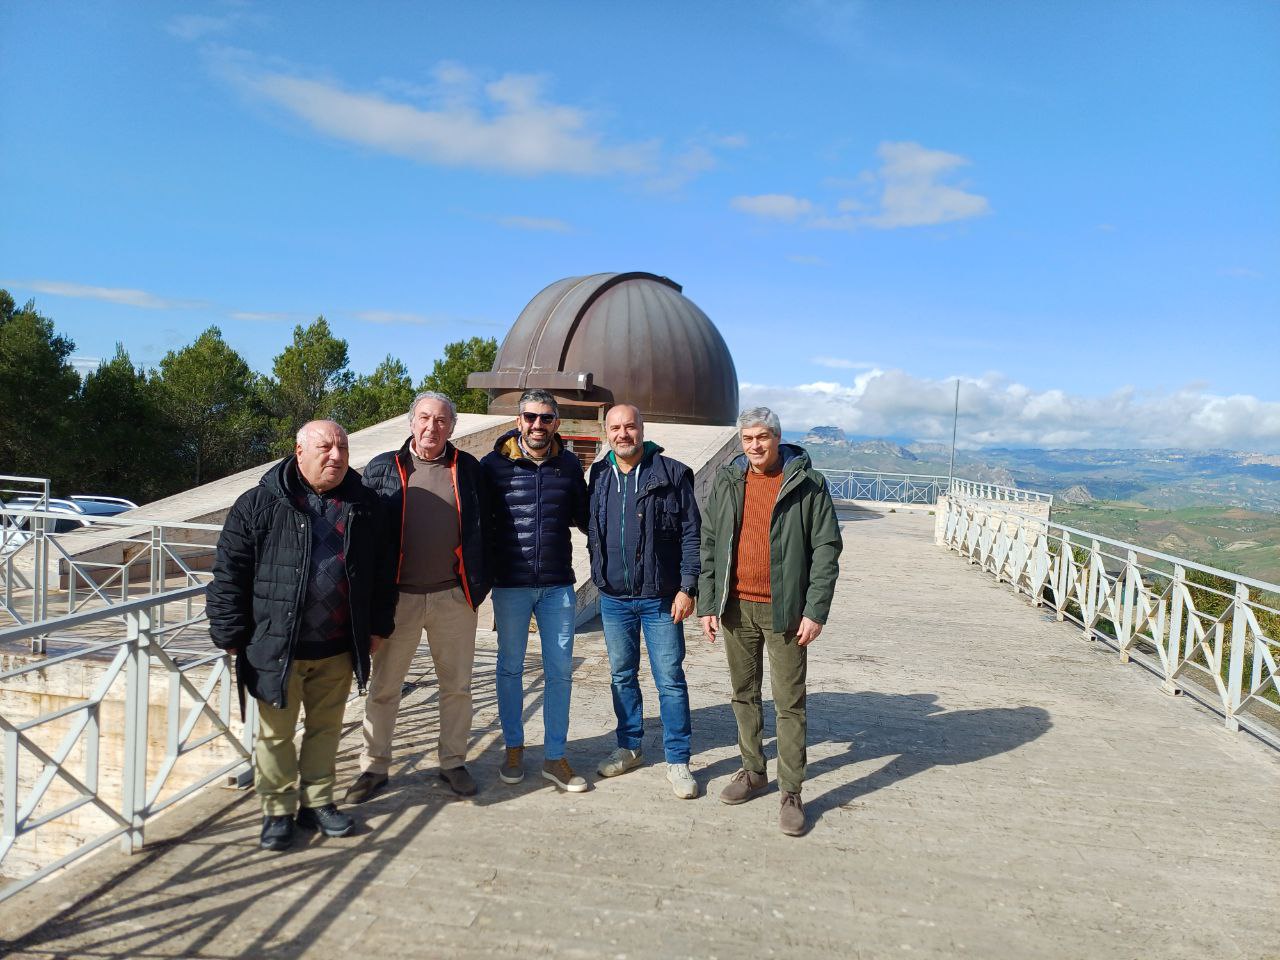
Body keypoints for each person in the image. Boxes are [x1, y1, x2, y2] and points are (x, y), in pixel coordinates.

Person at [208, 420, 395, 851]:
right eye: (326, 447)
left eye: (343, 447)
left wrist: (379, 626)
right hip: (276, 645)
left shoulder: (365, 505)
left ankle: (317, 803)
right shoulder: (259, 503)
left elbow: (383, 573)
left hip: (337, 645)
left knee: (326, 728)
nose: (336, 456)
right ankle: (277, 811)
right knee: (274, 734)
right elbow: (228, 573)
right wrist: (229, 631)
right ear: (299, 451)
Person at [697, 406, 842, 836]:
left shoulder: (807, 484)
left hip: (786, 612)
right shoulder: (728, 482)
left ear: (777, 438)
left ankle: (792, 792)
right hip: (735, 607)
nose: (755, 446)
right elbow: (710, 544)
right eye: (747, 439)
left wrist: (815, 610)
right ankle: (752, 771)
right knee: (743, 694)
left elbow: (826, 550)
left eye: (762, 437)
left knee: (788, 702)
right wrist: (709, 603)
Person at [346, 391, 490, 803]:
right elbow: (362, 532)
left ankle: (452, 763)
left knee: (457, 687)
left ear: (452, 427)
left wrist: (479, 583)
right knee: (384, 688)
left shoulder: (468, 470)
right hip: (397, 601)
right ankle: (373, 768)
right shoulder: (382, 469)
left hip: (453, 598)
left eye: (442, 420)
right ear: (411, 422)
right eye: (425, 418)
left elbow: (487, 527)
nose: (432, 427)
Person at [586, 403, 700, 799]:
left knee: (669, 679)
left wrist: (688, 587)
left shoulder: (671, 473)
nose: (623, 434)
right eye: (615, 428)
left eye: (629, 427)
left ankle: (678, 760)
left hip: (661, 599)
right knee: (622, 675)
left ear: (642, 429)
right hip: (614, 599)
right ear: (607, 432)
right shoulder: (600, 473)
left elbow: (691, 533)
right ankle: (630, 746)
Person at [481, 388, 590, 792]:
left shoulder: (569, 467)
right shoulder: (491, 467)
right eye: (530, 417)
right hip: (509, 585)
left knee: (559, 672)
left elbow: (585, 519)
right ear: (518, 421)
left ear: (556, 423)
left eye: (545, 418)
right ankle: (514, 748)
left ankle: (556, 756)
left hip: (558, 586)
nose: (537, 425)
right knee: (509, 667)